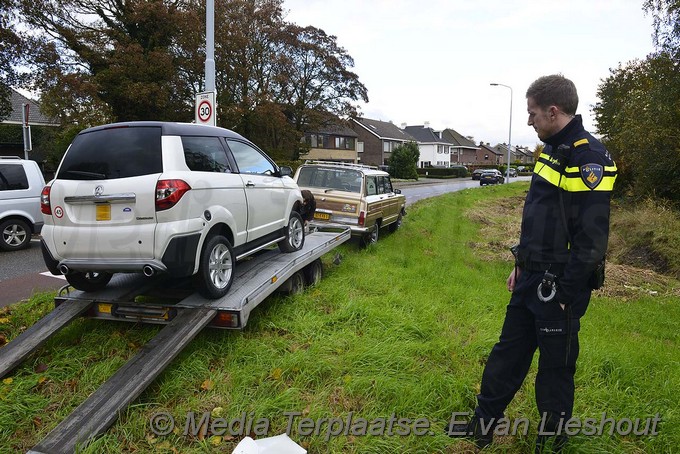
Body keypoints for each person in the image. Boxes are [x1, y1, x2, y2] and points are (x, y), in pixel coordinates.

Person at [447, 75, 617, 452]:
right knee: (506, 356)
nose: (530, 121)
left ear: (553, 111)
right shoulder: (553, 149)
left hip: (559, 286)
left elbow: (592, 240)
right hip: (531, 278)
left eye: (533, 113)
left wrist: (567, 294)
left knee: (555, 373)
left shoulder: (587, 157)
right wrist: (521, 264)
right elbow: (540, 219)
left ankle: (551, 440)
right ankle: (481, 427)